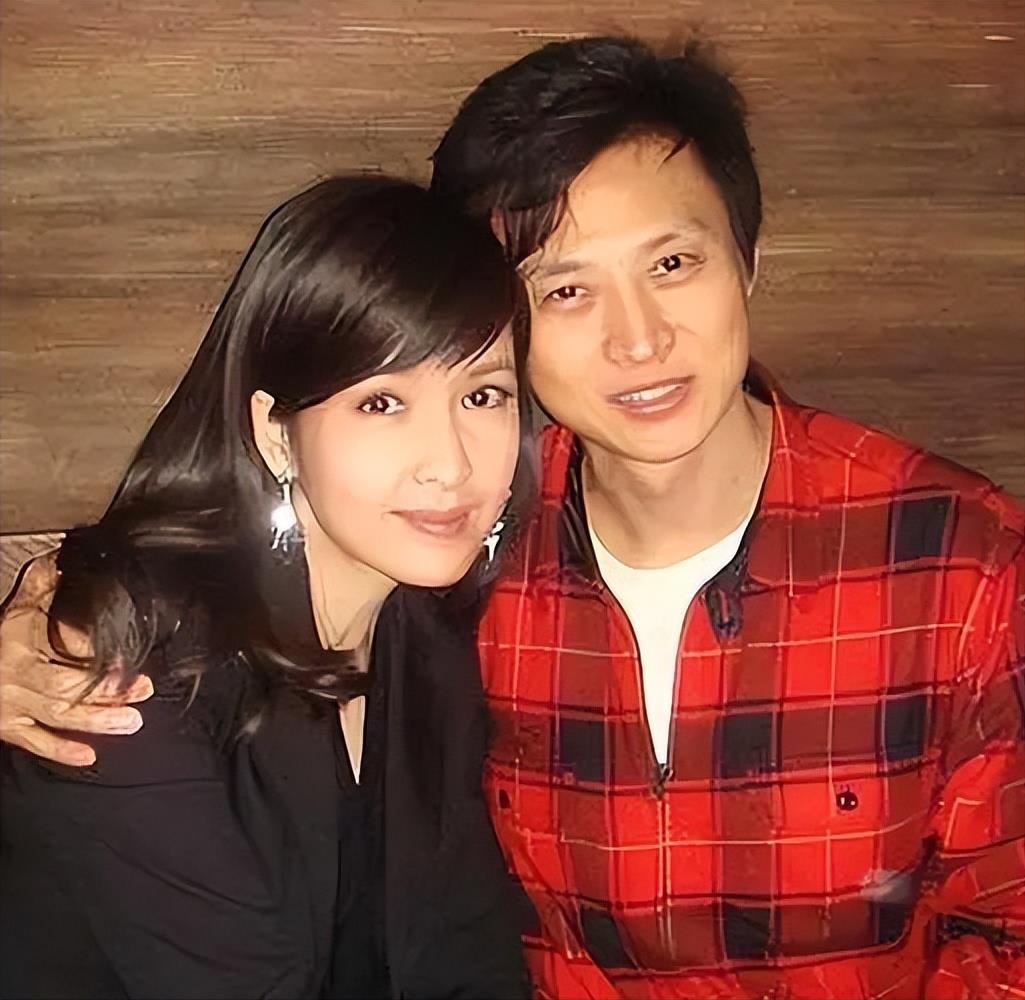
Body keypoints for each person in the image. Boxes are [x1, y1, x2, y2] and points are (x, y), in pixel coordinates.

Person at [3, 34, 1024, 999]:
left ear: (746, 259)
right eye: (566, 290)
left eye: (671, 264)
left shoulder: (956, 563)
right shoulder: (467, 566)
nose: (638, 340)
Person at [0, 175, 533, 998]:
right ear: (276, 433)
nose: (451, 462)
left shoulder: (427, 637)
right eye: (382, 402)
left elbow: (468, 954)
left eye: (482, 394)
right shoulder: (130, 659)